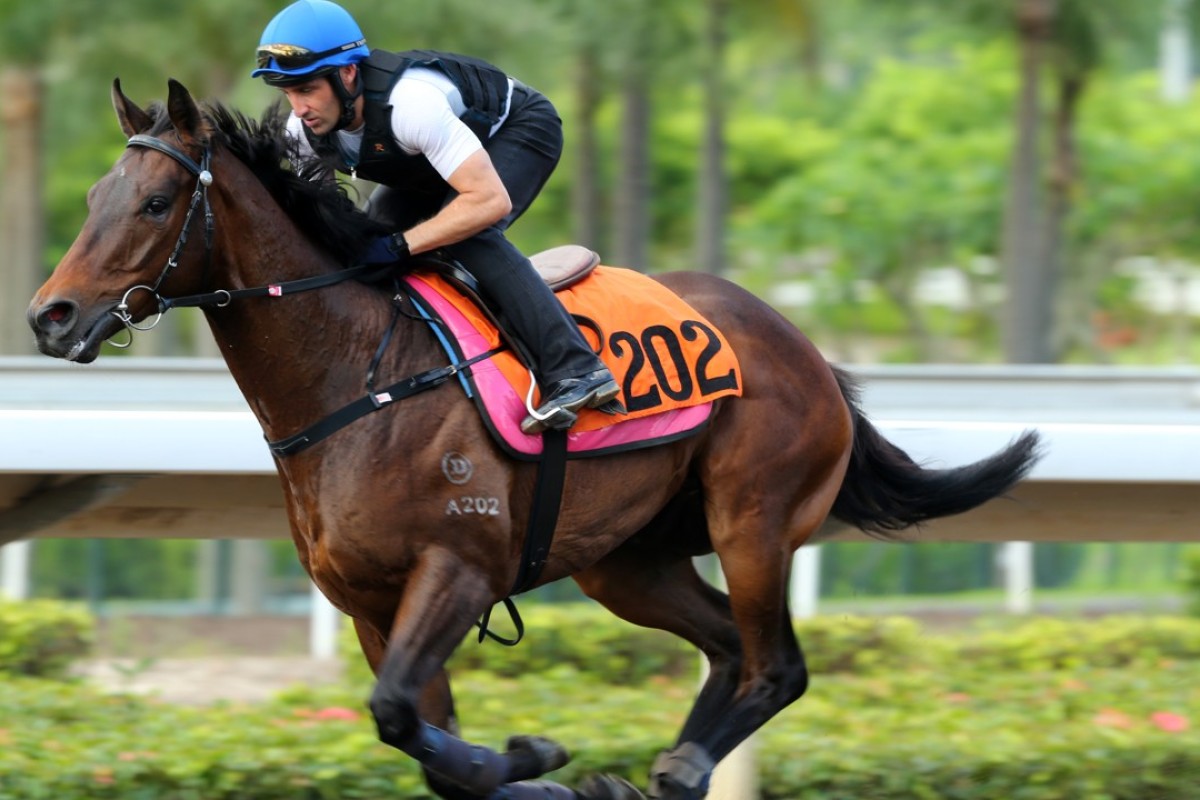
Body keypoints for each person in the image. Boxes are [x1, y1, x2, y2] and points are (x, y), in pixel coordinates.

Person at [251, 0, 622, 434]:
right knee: (368, 246)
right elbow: (331, 230)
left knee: (464, 232)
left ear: (347, 73)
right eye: (288, 93)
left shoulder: (413, 105)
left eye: (307, 89)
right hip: (428, 162)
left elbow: (487, 201)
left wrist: (401, 245)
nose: (298, 108)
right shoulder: (304, 134)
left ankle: (576, 368)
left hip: (518, 130)